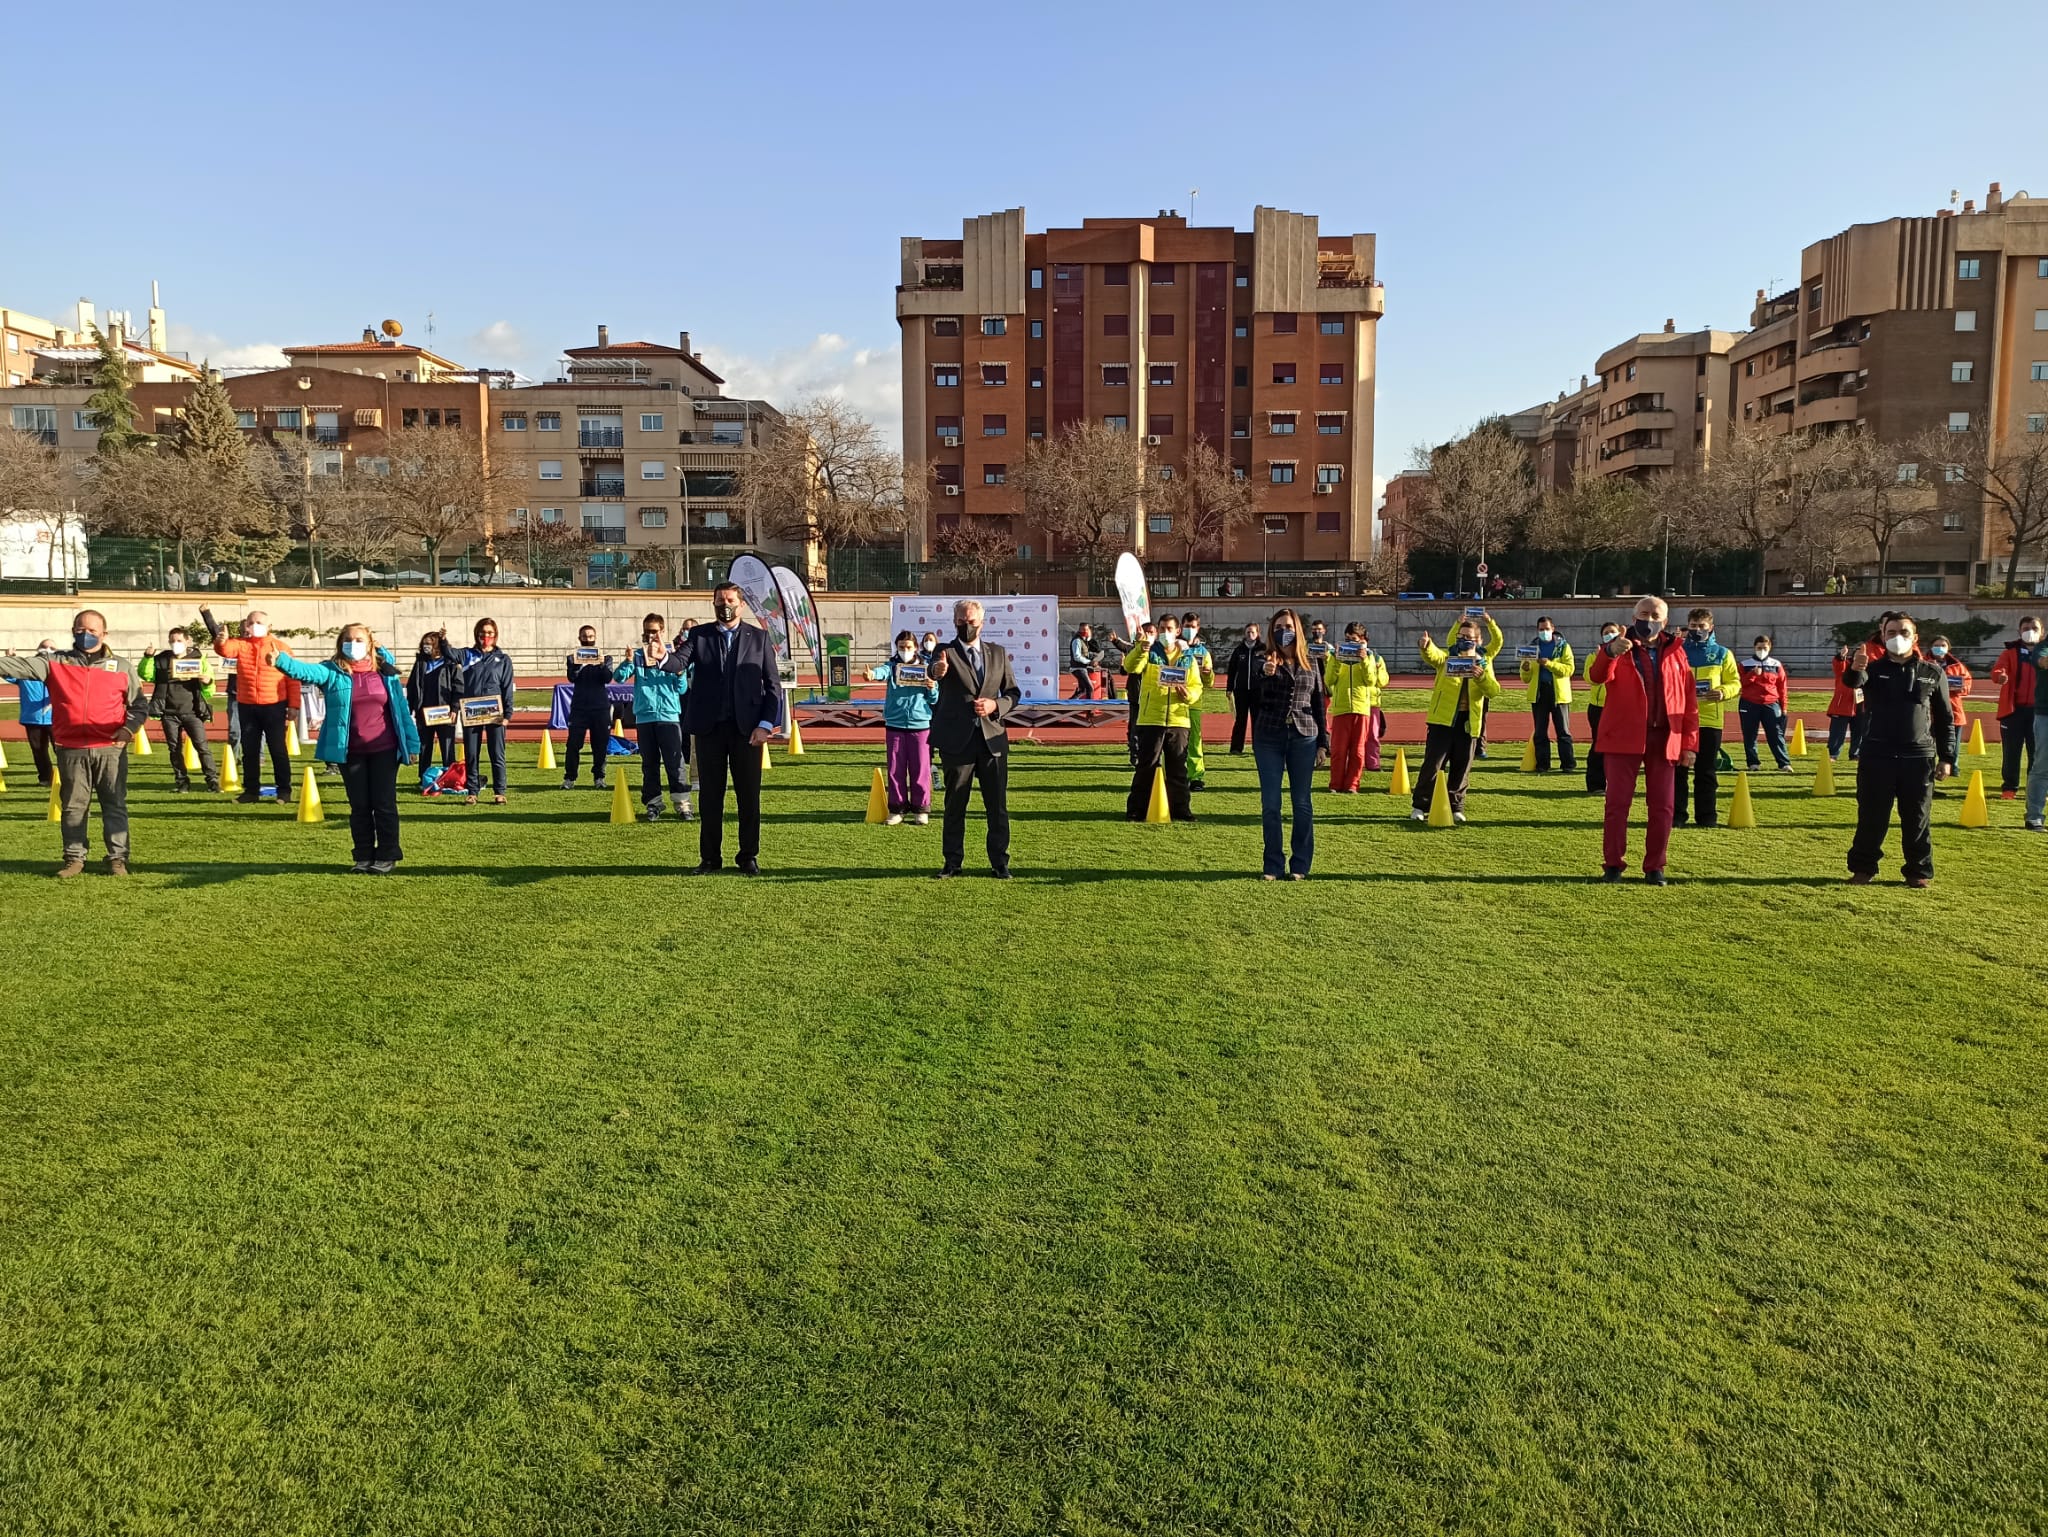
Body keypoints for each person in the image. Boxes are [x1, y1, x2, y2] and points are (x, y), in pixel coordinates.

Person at [0, 611, 148, 876]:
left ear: (104, 634)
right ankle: (74, 858)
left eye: (92, 630)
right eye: (80, 629)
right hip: (70, 749)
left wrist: (127, 730)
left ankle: (117, 858)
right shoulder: (54, 663)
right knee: (73, 807)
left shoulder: (123, 666)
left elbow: (138, 705)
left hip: (110, 748)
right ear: (72, 631)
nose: (85, 634)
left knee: (114, 804)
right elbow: (14, 666)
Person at [269, 624, 422, 874]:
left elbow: (401, 710)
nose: (354, 644)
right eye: (348, 640)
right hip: (350, 750)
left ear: (371, 643)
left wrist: (413, 743)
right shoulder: (332, 671)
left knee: (384, 804)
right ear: (341, 644)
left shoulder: (386, 673)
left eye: (359, 639)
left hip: (384, 748)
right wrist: (281, 661)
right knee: (359, 805)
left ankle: (387, 854)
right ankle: (362, 856)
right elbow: (306, 671)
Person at [663, 581, 783, 875]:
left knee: (748, 797)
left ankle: (748, 856)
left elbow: (773, 687)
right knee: (710, 797)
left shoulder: (759, 638)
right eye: (719, 601)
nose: (724, 605)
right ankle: (710, 858)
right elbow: (679, 662)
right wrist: (662, 657)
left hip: (747, 732)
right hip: (709, 729)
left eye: (729, 600)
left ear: (741, 605)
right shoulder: (699, 635)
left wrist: (765, 725)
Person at [1588, 596, 1700, 884]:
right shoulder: (1619, 646)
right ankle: (1613, 864)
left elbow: (1688, 701)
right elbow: (1597, 676)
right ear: (1633, 614)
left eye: (1654, 615)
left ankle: (1655, 866)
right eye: (1643, 613)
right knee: (1617, 803)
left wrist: (1689, 743)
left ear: (1664, 621)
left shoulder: (1677, 652)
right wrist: (1610, 652)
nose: (1648, 620)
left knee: (1663, 806)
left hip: (1664, 737)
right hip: (1623, 735)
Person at [1842, 613, 1954, 887]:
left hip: (1918, 757)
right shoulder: (1872, 669)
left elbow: (1945, 717)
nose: (1897, 637)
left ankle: (1918, 871)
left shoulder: (1933, 672)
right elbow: (1853, 682)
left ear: (1915, 637)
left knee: (1917, 818)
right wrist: (1855, 667)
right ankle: (1863, 869)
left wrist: (1947, 757)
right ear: (1883, 636)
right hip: (1877, 755)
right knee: (1872, 816)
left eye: (1903, 632)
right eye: (1890, 632)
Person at [929, 598, 1021, 877]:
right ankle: (952, 862)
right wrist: (937, 671)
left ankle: (1000, 862)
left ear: (982, 622)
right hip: (958, 741)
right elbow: (934, 670)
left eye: (970, 621)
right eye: (960, 621)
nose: (965, 625)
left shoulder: (998, 653)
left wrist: (996, 706)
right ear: (954, 621)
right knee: (955, 804)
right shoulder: (945, 652)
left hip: (992, 740)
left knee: (997, 806)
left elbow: (1013, 693)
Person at [1251, 608, 1328, 879]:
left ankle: (1300, 865)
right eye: (1279, 626)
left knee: (1301, 802)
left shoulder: (1312, 662)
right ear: (1272, 631)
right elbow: (1252, 695)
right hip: (1269, 737)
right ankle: (1272, 864)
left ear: (1298, 629)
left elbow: (1318, 703)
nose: (1285, 630)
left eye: (1289, 625)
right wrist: (1265, 674)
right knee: (1271, 803)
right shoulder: (1263, 659)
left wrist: (1323, 743)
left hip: (1303, 736)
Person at [1411, 610, 1502, 824]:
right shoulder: (1448, 656)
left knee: (1462, 766)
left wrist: (1481, 679)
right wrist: (1426, 646)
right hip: (1442, 720)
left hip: (1468, 723)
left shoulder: (1484, 662)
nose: (1463, 640)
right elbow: (1434, 656)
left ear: (1477, 640)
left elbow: (1494, 691)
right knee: (1433, 765)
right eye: (1461, 637)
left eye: (1468, 637)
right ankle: (1420, 806)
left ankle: (1456, 807)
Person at [201, 604, 293, 804]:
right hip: (247, 705)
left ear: (269, 625)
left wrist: (294, 705)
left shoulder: (281, 648)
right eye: (250, 622)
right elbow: (225, 650)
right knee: (249, 750)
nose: (254, 625)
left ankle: (284, 791)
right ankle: (251, 791)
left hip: (274, 705)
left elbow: (292, 679)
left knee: (277, 749)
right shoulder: (241, 645)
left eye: (258, 622)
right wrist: (220, 642)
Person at [1122, 616, 1203, 823]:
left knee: (1178, 769)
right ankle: (1136, 810)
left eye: (1169, 629)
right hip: (1151, 719)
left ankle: (1181, 810)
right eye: (1162, 628)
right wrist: (1141, 647)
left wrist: (1189, 695)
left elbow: (1197, 686)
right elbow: (1131, 667)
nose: (1165, 632)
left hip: (1178, 720)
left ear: (1177, 632)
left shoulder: (1188, 657)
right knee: (1146, 766)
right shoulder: (1149, 653)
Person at [614, 613, 691, 821]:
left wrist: (680, 673)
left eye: (654, 631)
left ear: (662, 632)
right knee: (649, 763)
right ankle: (654, 803)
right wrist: (627, 661)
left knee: (675, 761)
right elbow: (619, 678)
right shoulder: (638, 656)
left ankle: (682, 803)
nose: (650, 635)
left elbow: (682, 689)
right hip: (645, 717)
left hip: (669, 715)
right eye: (647, 631)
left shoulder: (673, 657)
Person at [1673, 607, 1739, 828]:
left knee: (1706, 772)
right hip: (1678, 719)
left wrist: (1723, 691)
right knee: (1678, 771)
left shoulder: (1722, 654)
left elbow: (1735, 682)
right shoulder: (1677, 651)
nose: (1697, 630)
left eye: (1702, 626)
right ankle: (1677, 816)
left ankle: (1707, 817)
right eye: (1693, 626)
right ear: (1687, 627)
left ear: (1711, 627)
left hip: (1710, 720)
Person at [866, 629, 939, 824]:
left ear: (915, 647)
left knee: (921, 769)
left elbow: (935, 698)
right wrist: (872, 674)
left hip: (920, 725)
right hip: (895, 725)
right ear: (896, 648)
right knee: (895, 769)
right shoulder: (891, 667)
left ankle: (921, 809)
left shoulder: (927, 668)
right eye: (901, 647)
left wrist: (932, 688)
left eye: (908, 647)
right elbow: (881, 672)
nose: (904, 650)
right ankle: (897, 809)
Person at [138, 626, 219, 793]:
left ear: (188, 641)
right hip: (168, 712)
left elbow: (210, 691)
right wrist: (147, 657)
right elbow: (146, 675)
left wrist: (207, 682)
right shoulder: (161, 660)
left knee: (202, 747)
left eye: (179, 640)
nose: (176, 644)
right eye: (172, 641)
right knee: (174, 749)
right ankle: (182, 782)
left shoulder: (199, 659)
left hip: (193, 712)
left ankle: (213, 781)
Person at [455, 617, 515, 805]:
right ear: (477, 634)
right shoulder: (467, 655)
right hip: (472, 711)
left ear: (495, 635)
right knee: (472, 754)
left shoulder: (503, 660)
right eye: (482, 633)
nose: (486, 636)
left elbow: (507, 687)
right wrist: (443, 640)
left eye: (490, 633)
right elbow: (449, 653)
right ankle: (472, 791)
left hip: (494, 713)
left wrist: (507, 715)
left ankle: (500, 792)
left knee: (496, 753)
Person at [1324, 622, 1388, 792]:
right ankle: (1335, 784)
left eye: (1353, 640)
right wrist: (1336, 660)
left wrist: (1365, 660)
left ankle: (1352, 784)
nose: (1350, 643)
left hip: (1361, 709)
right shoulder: (1336, 656)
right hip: (1341, 709)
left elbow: (1371, 681)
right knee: (1338, 750)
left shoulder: (1371, 657)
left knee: (1358, 751)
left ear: (1362, 640)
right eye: (1347, 639)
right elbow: (1329, 680)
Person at [1990, 616, 2040, 799]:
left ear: (2041, 632)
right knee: (2011, 752)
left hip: (2039, 712)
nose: (2030, 631)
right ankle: (2009, 788)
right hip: (2013, 710)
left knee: (2038, 753)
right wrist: (2000, 676)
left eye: (2034, 628)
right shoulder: (2010, 653)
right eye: (2026, 627)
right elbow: (1998, 670)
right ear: (2019, 631)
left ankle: (2036, 788)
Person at [1519, 616, 1577, 773]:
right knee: (1540, 732)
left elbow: (1569, 670)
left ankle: (1568, 764)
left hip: (1558, 693)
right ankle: (1543, 764)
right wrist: (1525, 669)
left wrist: (1549, 664)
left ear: (1553, 628)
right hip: (1539, 693)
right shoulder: (1532, 648)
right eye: (1541, 629)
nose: (1544, 632)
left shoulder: (1563, 646)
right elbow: (1525, 679)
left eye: (1547, 629)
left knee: (1563, 731)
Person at [406, 629, 461, 788]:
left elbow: (458, 686)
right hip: (424, 712)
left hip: (445, 713)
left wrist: (455, 708)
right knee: (424, 746)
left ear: (437, 645)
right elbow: (412, 686)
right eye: (424, 644)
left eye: (429, 644)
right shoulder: (420, 663)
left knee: (447, 746)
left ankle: (450, 777)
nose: (425, 647)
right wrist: (411, 706)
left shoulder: (450, 663)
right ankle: (423, 778)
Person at [563, 624, 614, 791]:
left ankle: (599, 777)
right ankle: (570, 777)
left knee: (600, 745)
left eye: (591, 637)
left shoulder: (606, 658)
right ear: (580, 639)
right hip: (579, 708)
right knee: (573, 745)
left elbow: (607, 678)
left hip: (600, 707)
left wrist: (600, 664)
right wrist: (580, 664)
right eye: (585, 637)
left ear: (595, 638)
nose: (588, 639)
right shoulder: (572, 658)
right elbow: (572, 678)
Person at [1738, 633, 1794, 772]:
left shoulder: (1776, 664)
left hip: (1771, 703)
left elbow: (1782, 687)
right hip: (1749, 703)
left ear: (1770, 648)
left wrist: (1784, 706)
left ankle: (1784, 763)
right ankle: (1753, 763)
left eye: (1764, 647)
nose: (1761, 650)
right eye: (1759, 647)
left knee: (1776, 734)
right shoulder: (1745, 664)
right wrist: (1752, 675)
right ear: (1754, 647)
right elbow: (1740, 684)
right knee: (1750, 734)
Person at [1926, 634, 1971, 785]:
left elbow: (1967, 684)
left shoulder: (1957, 666)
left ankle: (1952, 766)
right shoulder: (1924, 663)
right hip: (1929, 712)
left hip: (1953, 710)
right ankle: (1929, 768)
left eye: (1943, 645)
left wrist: (1958, 687)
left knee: (1953, 742)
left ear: (1948, 648)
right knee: (1928, 742)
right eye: (1936, 645)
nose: (1940, 648)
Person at [12, 639, 55, 787]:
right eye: (44, 646)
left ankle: (70, 778)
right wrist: (11, 659)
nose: (47, 649)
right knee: (38, 751)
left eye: (51, 647)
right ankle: (45, 778)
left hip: (56, 718)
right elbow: (8, 672)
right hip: (32, 718)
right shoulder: (25, 670)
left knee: (63, 750)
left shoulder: (59, 669)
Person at [1582, 621, 1619, 794]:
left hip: (1617, 707)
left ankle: (1617, 783)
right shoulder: (1593, 655)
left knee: (1619, 747)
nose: (1609, 635)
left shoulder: (1625, 656)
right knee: (1598, 744)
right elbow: (1590, 678)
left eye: (1613, 632)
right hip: (1598, 707)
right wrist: (1600, 660)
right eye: (1606, 632)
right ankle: (1596, 784)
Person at [1180, 612, 1216, 789]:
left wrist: (1208, 675)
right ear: (1181, 627)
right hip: (1175, 702)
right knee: (1174, 742)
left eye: (1193, 626)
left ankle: (1196, 776)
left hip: (1194, 702)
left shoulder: (1203, 652)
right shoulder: (1174, 647)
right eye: (1187, 626)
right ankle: (1176, 773)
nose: (1189, 629)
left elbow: (1209, 683)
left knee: (1194, 741)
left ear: (1198, 628)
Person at [1826, 641, 1868, 761]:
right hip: (1842, 706)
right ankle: (1833, 754)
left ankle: (1855, 753)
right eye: (1858, 654)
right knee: (1837, 733)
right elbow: (1838, 664)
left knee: (1859, 732)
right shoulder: (1845, 667)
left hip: (1861, 705)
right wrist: (1841, 656)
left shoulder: (1868, 670)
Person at [1225, 621, 1262, 754]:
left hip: (1258, 691)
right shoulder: (1238, 650)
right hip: (1241, 691)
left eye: (1253, 632)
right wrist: (1229, 688)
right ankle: (1236, 747)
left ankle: (1258, 747)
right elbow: (1232, 670)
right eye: (1248, 632)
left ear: (1257, 634)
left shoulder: (1263, 650)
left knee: (1257, 719)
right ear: (1244, 634)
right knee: (1240, 719)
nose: (1250, 634)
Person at [1069, 624, 1098, 699]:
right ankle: (1090, 708)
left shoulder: (1083, 640)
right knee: (1090, 688)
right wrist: (1089, 662)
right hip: (1078, 668)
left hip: (1081, 668)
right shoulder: (1077, 640)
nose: (1086, 631)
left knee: (1083, 690)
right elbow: (1077, 656)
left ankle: (1070, 702)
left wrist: (1092, 658)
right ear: (1080, 630)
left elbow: (1084, 653)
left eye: (1087, 630)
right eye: (1084, 630)